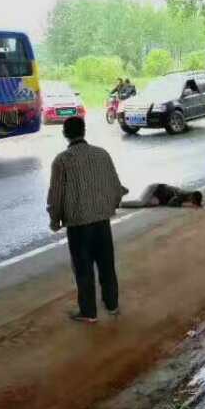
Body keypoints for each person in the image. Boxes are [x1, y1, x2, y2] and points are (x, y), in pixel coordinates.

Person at [47, 117, 128, 323]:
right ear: (84, 131)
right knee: (106, 265)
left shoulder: (62, 161)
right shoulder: (102, 154)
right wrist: (113, 204)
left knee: (83, 269)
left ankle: (88, 312)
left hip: (78, 225)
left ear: (65, 134)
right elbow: (115, 185)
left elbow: (56, 195)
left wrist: (54, 220)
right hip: (102, 222)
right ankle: (112, 305)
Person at [121, 184, 203, 208]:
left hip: (158, 196)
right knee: (141, 203)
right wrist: (185, 206)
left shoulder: (188, 196)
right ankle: (119, 204)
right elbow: (170, 203)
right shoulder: (182, 194)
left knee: (154, 203)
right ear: (192, 197)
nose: (192, 203)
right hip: (154, 188)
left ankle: (123, 191)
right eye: (193, 201)